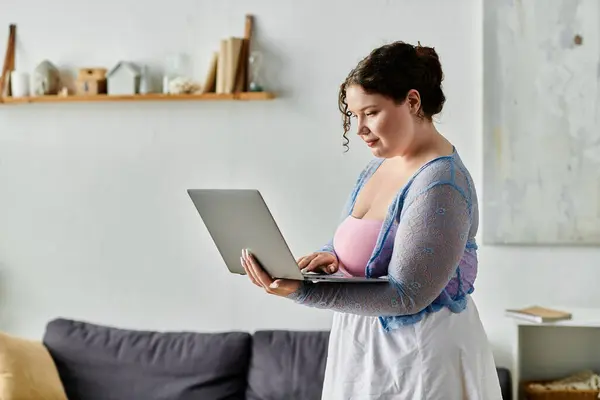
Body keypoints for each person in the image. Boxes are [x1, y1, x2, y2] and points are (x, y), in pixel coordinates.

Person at [240, 40, 503, 399]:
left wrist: (303, 291)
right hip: (364, 352)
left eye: (371, 112)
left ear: (413, 102)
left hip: (418, 360)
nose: (359, 128)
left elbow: (408, 295)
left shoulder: (441, 183)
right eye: (354, 115)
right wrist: (328, 257)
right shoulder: (379, 166)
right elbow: (356, 243)